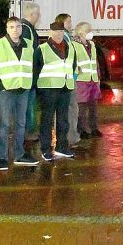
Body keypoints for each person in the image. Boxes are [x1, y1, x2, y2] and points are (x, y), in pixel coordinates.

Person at [0, 16, 38, 170]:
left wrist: (30, 83)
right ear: (7, 29)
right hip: (6, 91)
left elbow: (34, 66)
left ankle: (19, 154)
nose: (15, 30)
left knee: (21, 123)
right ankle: (2, 157)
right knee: (4, 124)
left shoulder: (28, 45)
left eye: (18, 27)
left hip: (23, 90)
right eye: (12, 27)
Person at [34, 20, 76, 160]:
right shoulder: (43, 48)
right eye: (56, 31)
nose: (59, 34)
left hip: (65, 87)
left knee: (63, 119)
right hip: (48, 89)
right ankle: (46, 149)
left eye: (61, 31)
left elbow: (73, 65)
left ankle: (62, 147)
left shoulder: (70, 47)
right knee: (47, 119)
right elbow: (36, 69)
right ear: (50, 33)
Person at [53, 14, 81, 149]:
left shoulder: (67, 39)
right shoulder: (61, 40)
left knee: (69, 110)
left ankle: (69, 137)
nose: (71, 24)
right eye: (69, 22)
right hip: (65, 81)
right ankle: (68, 139)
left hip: (68, 80)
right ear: (62, 23)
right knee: (68, 110)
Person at [72, 22, 103, 139]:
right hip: (81, 80)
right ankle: (82, 130)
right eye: (89, 30)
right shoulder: (74, 45)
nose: (91, 32)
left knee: (93, 106)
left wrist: (98, 78)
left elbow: (95, 63)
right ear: (81, 32)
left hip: (92, 80)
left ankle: (94, 128)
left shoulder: (92, 45)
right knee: (82, 108)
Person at [20, 2, 41, 149]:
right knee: (29, 106)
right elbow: (29, 53)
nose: (39, 17)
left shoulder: (25, 28)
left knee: (28, 105)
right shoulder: (27, 29)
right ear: (33, 15)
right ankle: (29, 132)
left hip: (27, 75)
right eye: (38, 14)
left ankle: (28, 132)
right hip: (29, 75)